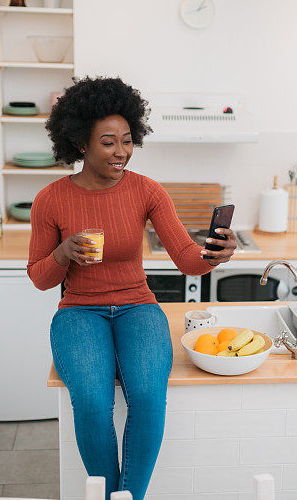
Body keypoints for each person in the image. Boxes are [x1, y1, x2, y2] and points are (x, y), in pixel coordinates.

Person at [27, 77, 237, 499]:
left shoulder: (147, 191)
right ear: (81, 144)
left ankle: (130, 497)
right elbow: (39, 277)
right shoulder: (50, 199)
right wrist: (64, 253)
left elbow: (186, 259)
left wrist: (216, 253)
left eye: (127, 140)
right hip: (78, 311)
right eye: (108, 142)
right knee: (91, 402)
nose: (121, 151)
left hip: (137, 305)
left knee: (146, 396)